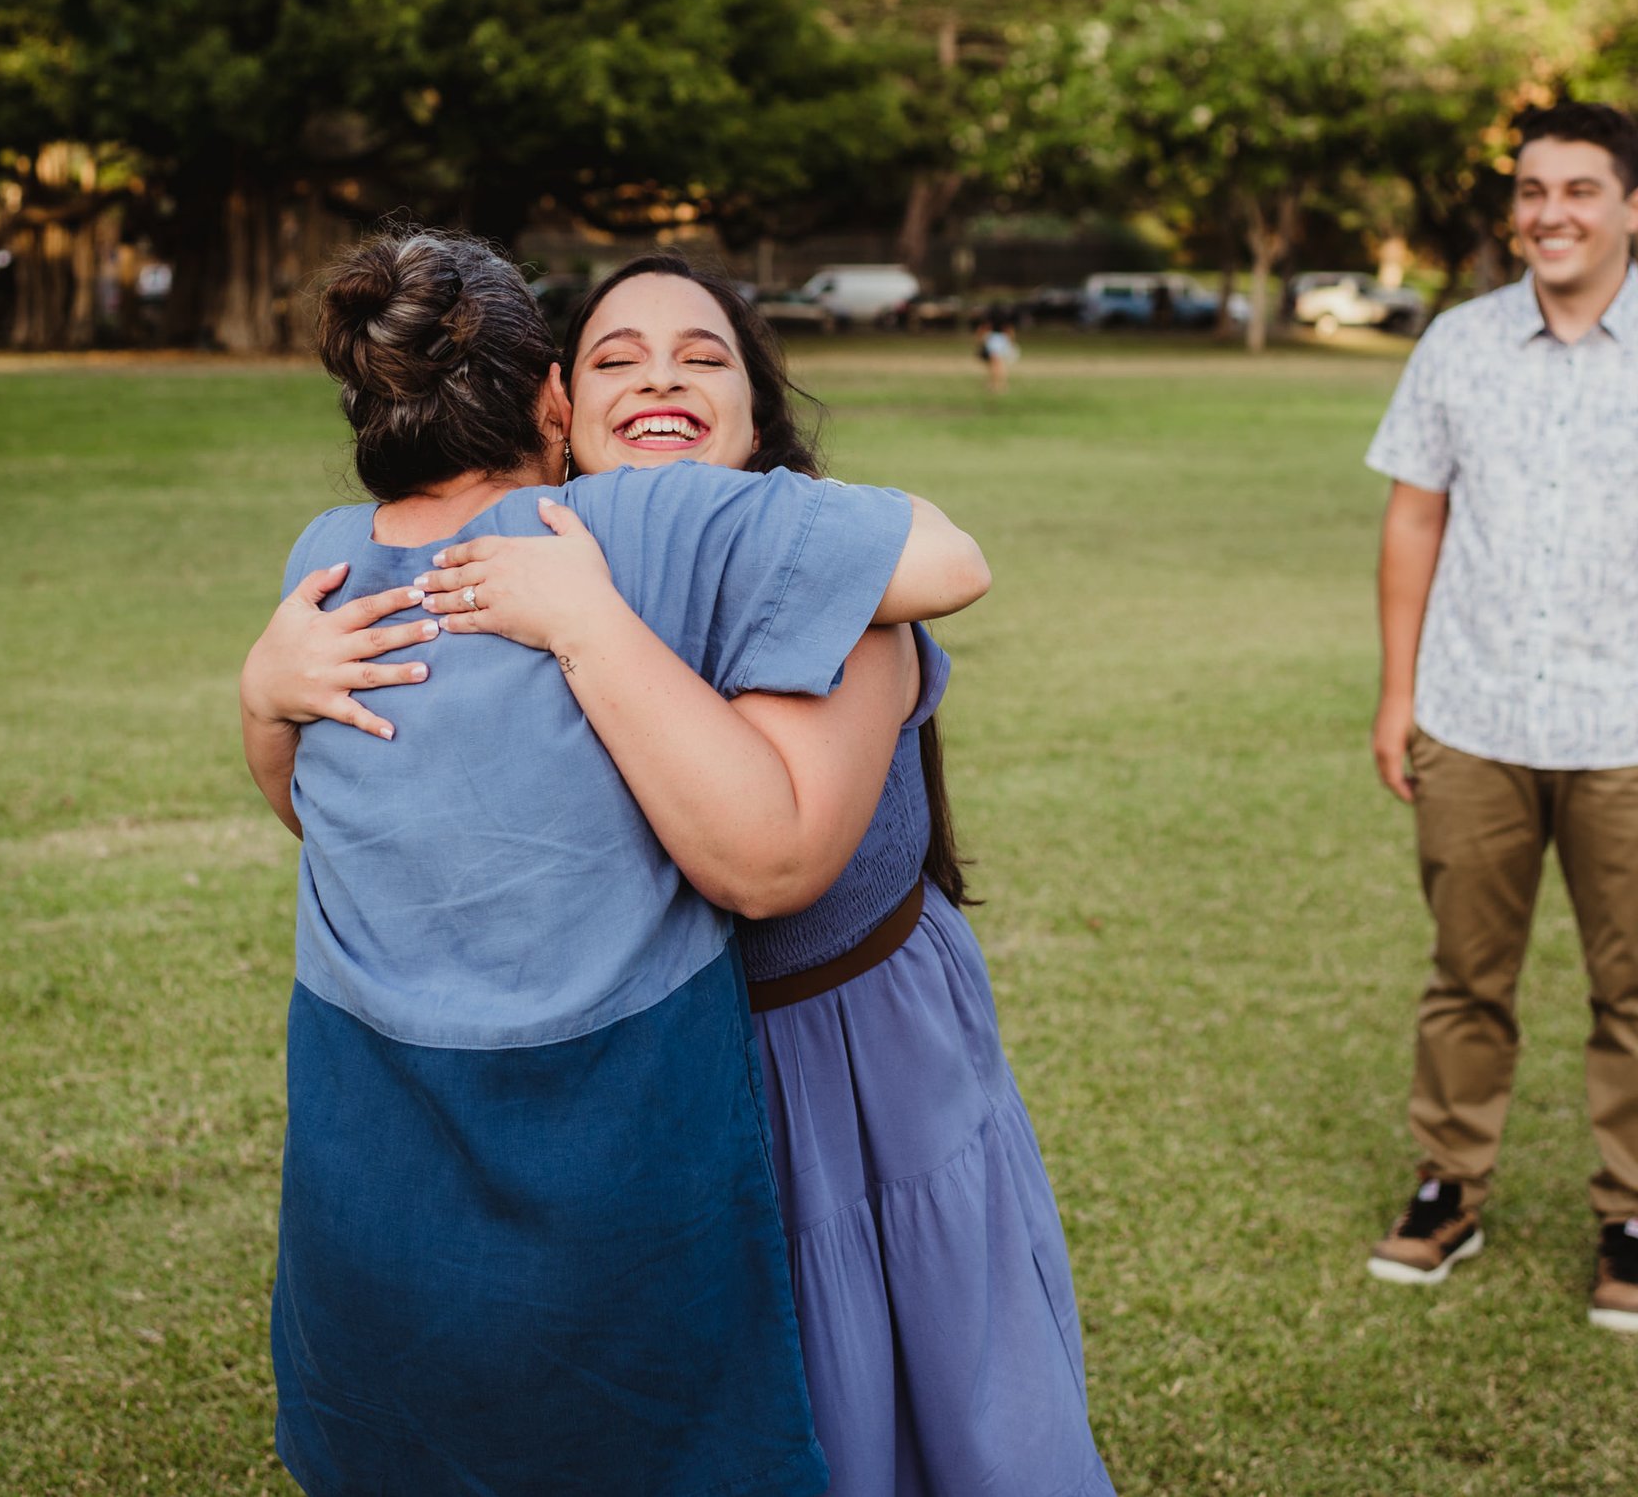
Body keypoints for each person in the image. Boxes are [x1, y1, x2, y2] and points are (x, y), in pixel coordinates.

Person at [252, 249, 1113, 1497]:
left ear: (758, 411)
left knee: (898, 1401)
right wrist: (267, 697)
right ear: (556, 406)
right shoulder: (515, 579)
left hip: (844, 1073)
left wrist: (590, 621)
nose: (660, 375)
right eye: (616, 357)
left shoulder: (816, 589)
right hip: (644, 1106)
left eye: (703, 356)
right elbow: (363, 812)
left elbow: (776, 861)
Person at [1360, 101, 1638, 1334]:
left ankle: (1634, 1218)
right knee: (1464, 977)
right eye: (1531, 190)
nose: (1549, 213)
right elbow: (1412, 519)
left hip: (1635, 731)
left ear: (1634, 208)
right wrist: (1399, 693)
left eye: (1579, 190)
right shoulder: (1455, 344)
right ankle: (1449, 1186)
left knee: (1636, 992)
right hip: (1473, 717)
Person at [977, 309, 1020, 398]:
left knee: (994, 364)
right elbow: (1010, 330)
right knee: (1000, 363)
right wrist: (1011, 342)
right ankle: (1000, 384)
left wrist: (981, 340)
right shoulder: (1005, 319)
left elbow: (983, 329)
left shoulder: (990, 319)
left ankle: (996, 384)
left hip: (993, 339)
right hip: (1003, 339)